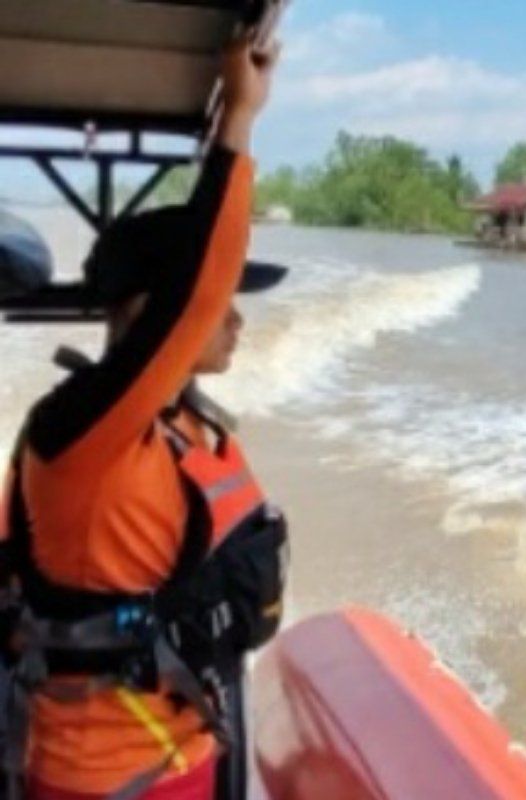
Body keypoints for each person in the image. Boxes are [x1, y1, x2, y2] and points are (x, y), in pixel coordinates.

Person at [0, 37, 286, 800]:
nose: (234, 322)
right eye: (222, 303)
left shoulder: (187, 425)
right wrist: (240, 121)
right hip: (113, 778)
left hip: (195, 742)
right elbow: (200, 288)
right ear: (153, 314)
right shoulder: (83, 432)